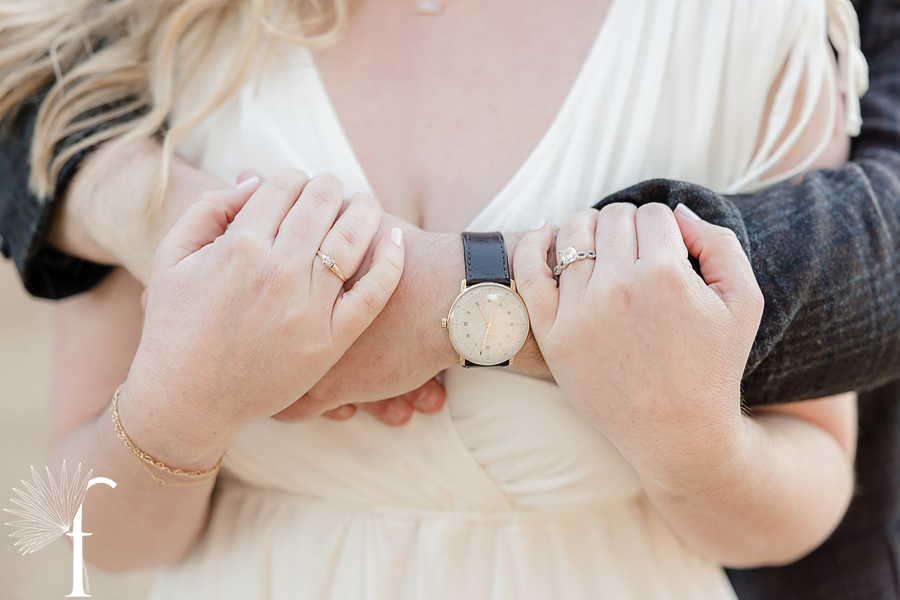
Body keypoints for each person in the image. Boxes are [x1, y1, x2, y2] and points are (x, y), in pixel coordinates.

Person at [0, 0, 895, 598]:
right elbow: (82, 529)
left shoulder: (742, 28)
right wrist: (182, 411)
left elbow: (808, 489)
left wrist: (687, 439)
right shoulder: (167, 29)